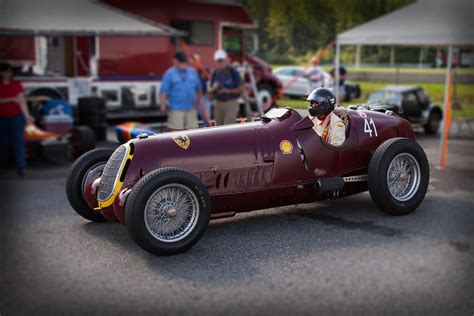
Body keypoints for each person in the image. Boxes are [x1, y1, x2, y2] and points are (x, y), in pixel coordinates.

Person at [0, 62, 34, 176]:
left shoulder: (16, 84)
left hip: (16, 117)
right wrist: (12, 99)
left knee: (18, 142)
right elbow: (15, 99)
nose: (7, 73)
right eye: (5, 71)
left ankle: (21, 167)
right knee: (2, 143)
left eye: (9, 71)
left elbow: (21, 101)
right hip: (2, 117)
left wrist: (27, 116)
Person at [160, 52, 202, 131]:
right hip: (176, 109)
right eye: (181, 62)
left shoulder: (192, 72)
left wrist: (196, 106)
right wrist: (163, 105)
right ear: (175, 61)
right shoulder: (169, 74)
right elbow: (164, 91)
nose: (183, 65)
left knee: (193, 132)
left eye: (184, 62)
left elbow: (198, 89)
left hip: (190, 109)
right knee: (176, 133)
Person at [209, 50, 244, 126]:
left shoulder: (233, 72)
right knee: (218, 126)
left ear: (226, 60)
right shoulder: (215, 72)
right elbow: (210, 90)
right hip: (218, 103)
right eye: (218, 61)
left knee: (229, 126)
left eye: (222, 60)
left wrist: (227, 91)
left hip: (231, 102)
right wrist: (214, 89)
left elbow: (241, 89)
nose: (220, 63)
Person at [190, 54, 212, 127]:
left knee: (206, 115)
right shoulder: (190, 71)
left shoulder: (204, 69)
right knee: (193, 114)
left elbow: (210, 80)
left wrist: (209, 91)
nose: (194, 62)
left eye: (196, 60)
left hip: (204, 95)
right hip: (194, 96)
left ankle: (207, 129)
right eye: (193, 60)